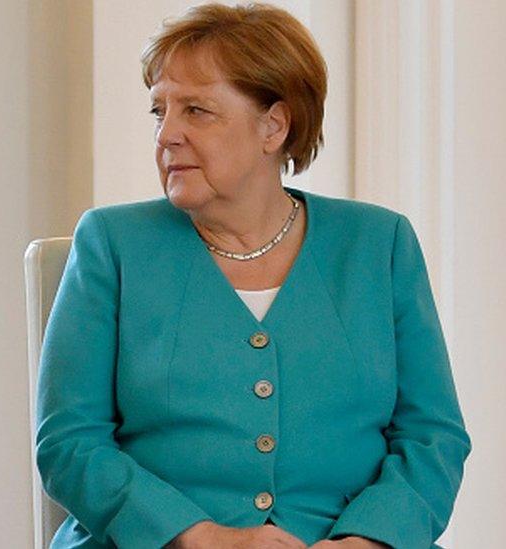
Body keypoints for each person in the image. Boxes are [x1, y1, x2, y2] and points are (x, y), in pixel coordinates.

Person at [35, 3, 469, 548]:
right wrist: (201, 537)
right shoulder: (111, 244)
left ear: (274, 125)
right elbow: (68, 442)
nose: (167, 134)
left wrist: (370, 540)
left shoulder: (379, 246)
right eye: (159, 112)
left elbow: (433, 437)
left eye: (196, 110)